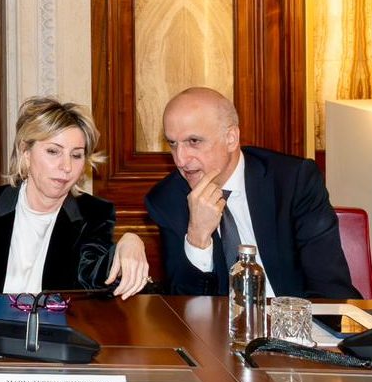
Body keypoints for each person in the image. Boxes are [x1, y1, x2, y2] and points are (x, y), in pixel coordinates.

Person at [146, 86, 358, 298]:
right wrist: (197, 238)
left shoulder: (292, 180)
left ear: (231, 138)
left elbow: (329, 288)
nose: (180, 160)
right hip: (220, 320)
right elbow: (184, 305)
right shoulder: (167, 200)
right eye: (172, 144)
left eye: (194, 142)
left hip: (295, 315)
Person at [0, 96, 149, 297]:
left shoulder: (94, 213)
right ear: (26, 153)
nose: (66, 166)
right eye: (53, 151)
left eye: (76, 155)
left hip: (57, 323)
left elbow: (91, 282)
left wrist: (131, 241)